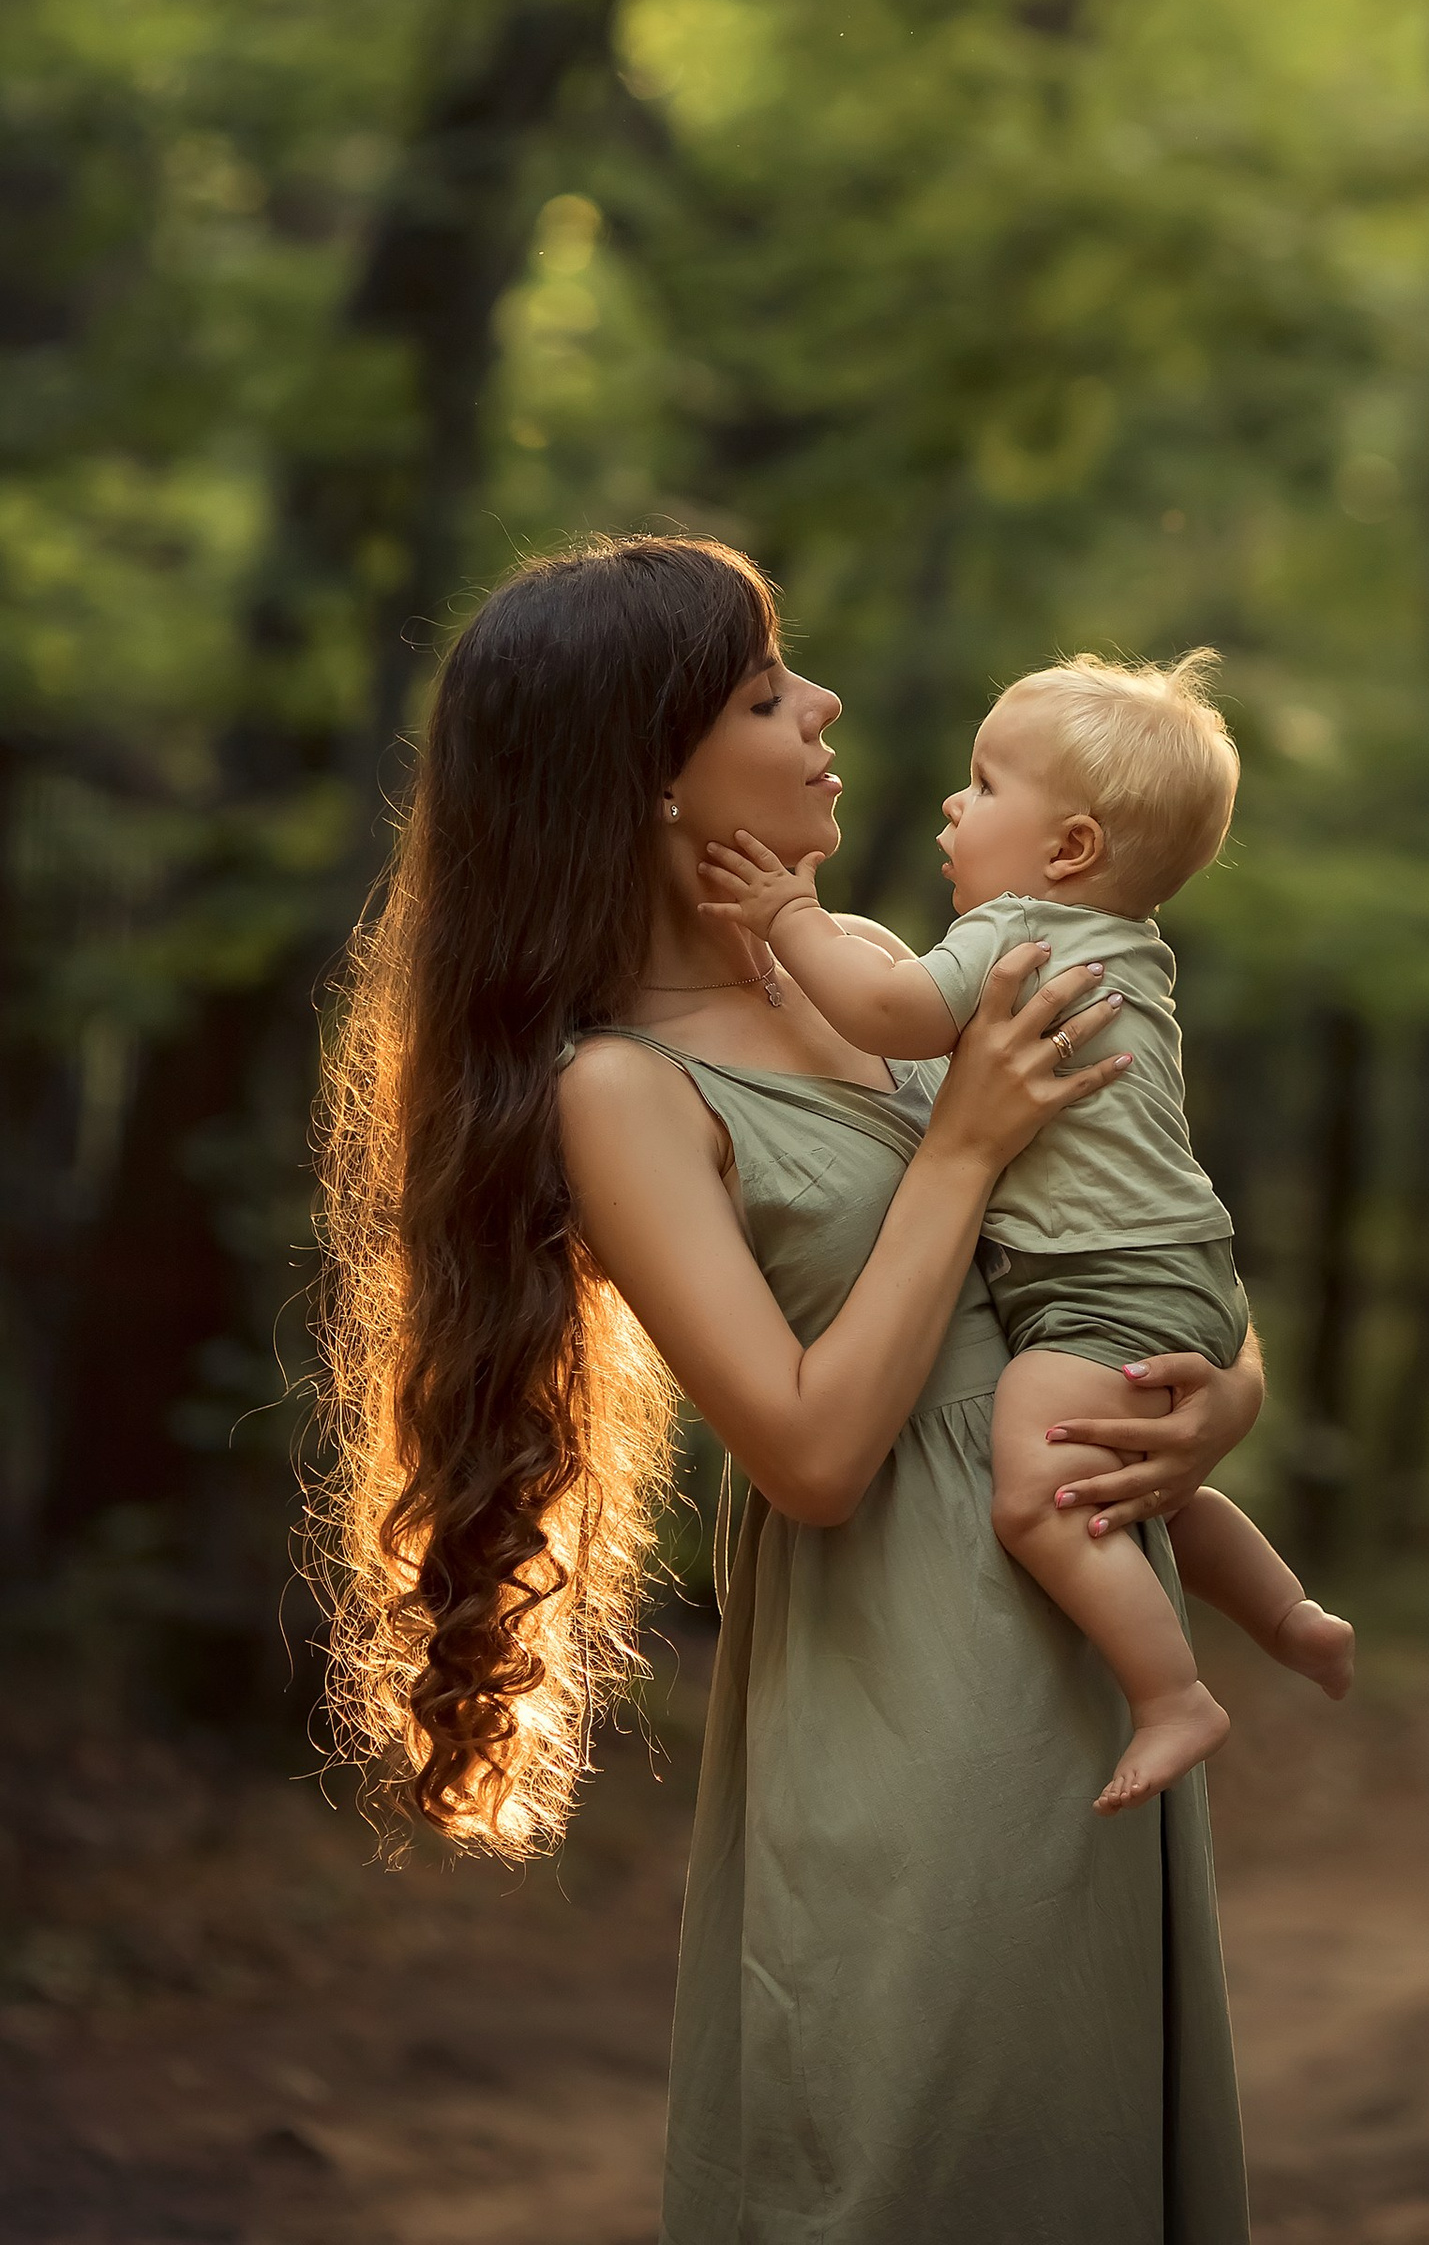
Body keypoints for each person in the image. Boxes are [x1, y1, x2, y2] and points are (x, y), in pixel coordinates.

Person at [315, 534, 1259, 2244]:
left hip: (1087, 1629)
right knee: (924, 2157)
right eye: (764, 694)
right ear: (649, 780)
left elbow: (1132, 1223)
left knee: (1091, 2142)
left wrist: (1227, 1395)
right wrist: (958, 1150)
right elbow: (813, 1453)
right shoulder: (623, 1090)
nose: (822, 707)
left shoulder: (883, 977)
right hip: (911, 1674)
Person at [698, 649, 1355, 1812]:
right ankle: (1288, 1613)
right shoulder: (1127, 948)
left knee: (1039, 1494)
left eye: (985, 786)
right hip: (1174, 1272)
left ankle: (1172, 1695)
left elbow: (893, 1010)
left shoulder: (1021, 933)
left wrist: (789, 916)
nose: (955, 806)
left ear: (1070, 850)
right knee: (1134, 1489)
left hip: (1105, 1285)